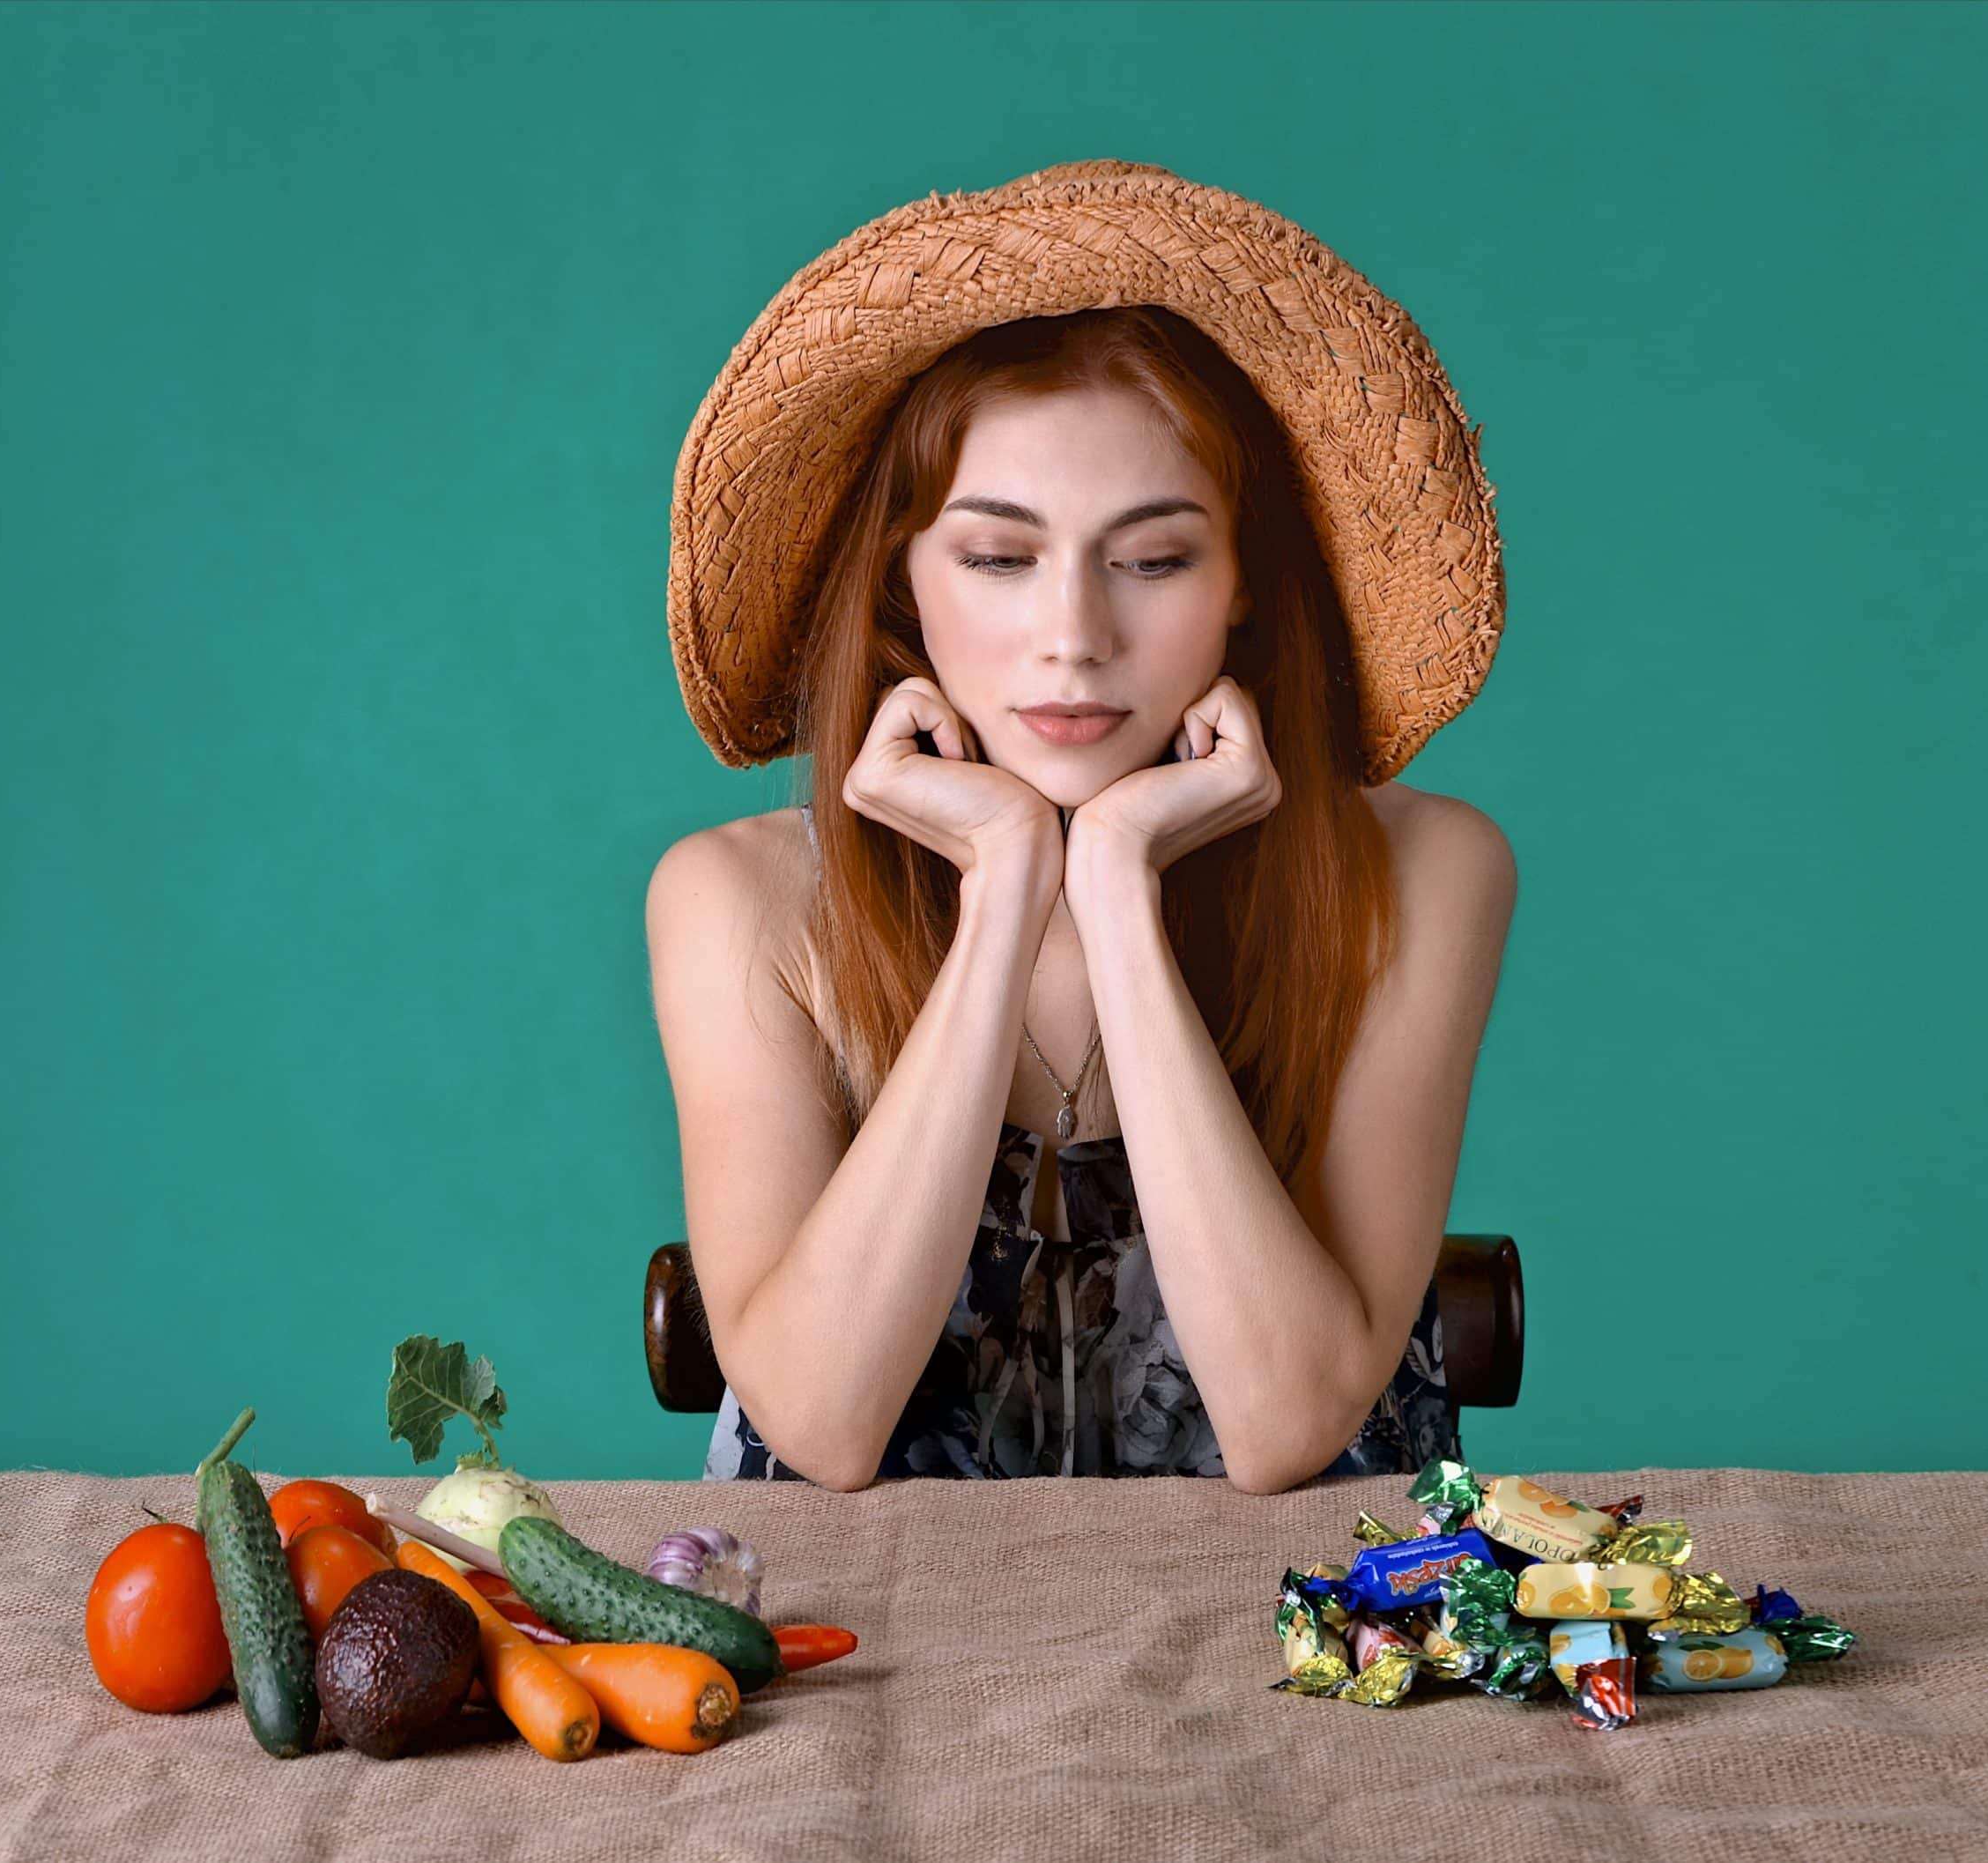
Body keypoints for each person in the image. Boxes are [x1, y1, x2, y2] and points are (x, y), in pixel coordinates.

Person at [647, 161, 1517, 1493]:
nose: (1074, 639)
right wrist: (1001, 887)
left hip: (1313, 1644)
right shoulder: (733, 899)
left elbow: (1290, 1424)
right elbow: (820, 1425)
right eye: (999, 558)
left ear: (1242, 586)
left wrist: (1116, 884)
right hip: (873, 1659)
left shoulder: (1426, 870)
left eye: (1154, 559)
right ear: (905, 587)